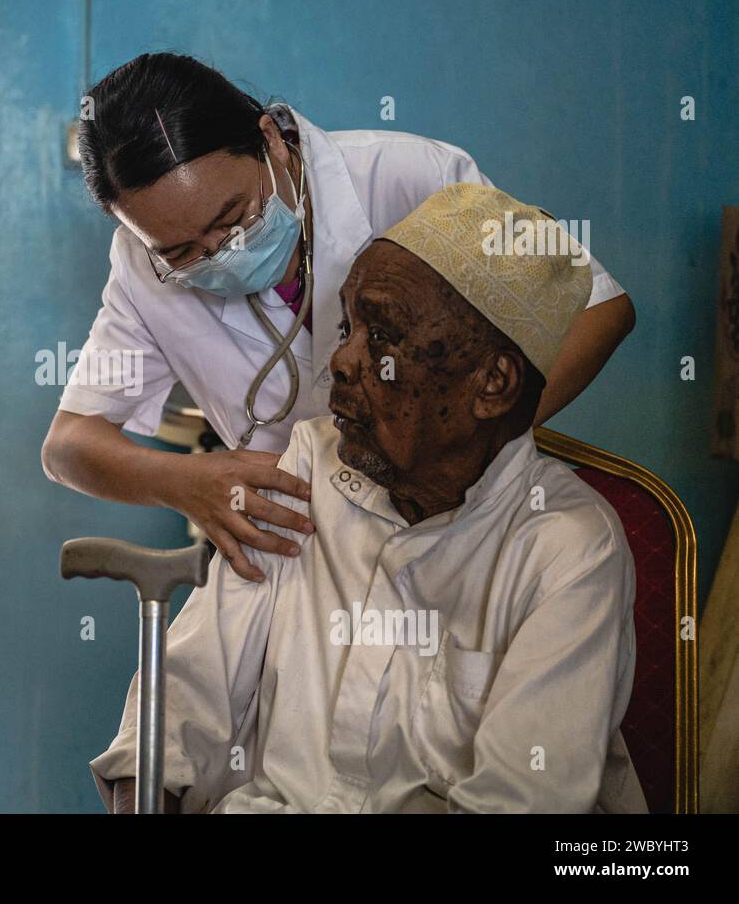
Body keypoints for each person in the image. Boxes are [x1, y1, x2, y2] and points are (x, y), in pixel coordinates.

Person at [90, 184, 646, 814]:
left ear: (492, 384)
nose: (342, 362)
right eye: (347, 327)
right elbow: (185, 698)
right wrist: (145, 790)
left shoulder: (567, 547)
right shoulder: (309, 465)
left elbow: (517, 803)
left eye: (382, 336)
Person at [42, 53, 636, 582]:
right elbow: (68, 445)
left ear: (271, 141)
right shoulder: (139, 265)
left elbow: (602, 309)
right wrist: (184, 482)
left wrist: (457, 450)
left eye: (234, 217)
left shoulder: (409, 176)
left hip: (461, 522)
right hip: (300, 549)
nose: (220, 253)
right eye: (181, 253)